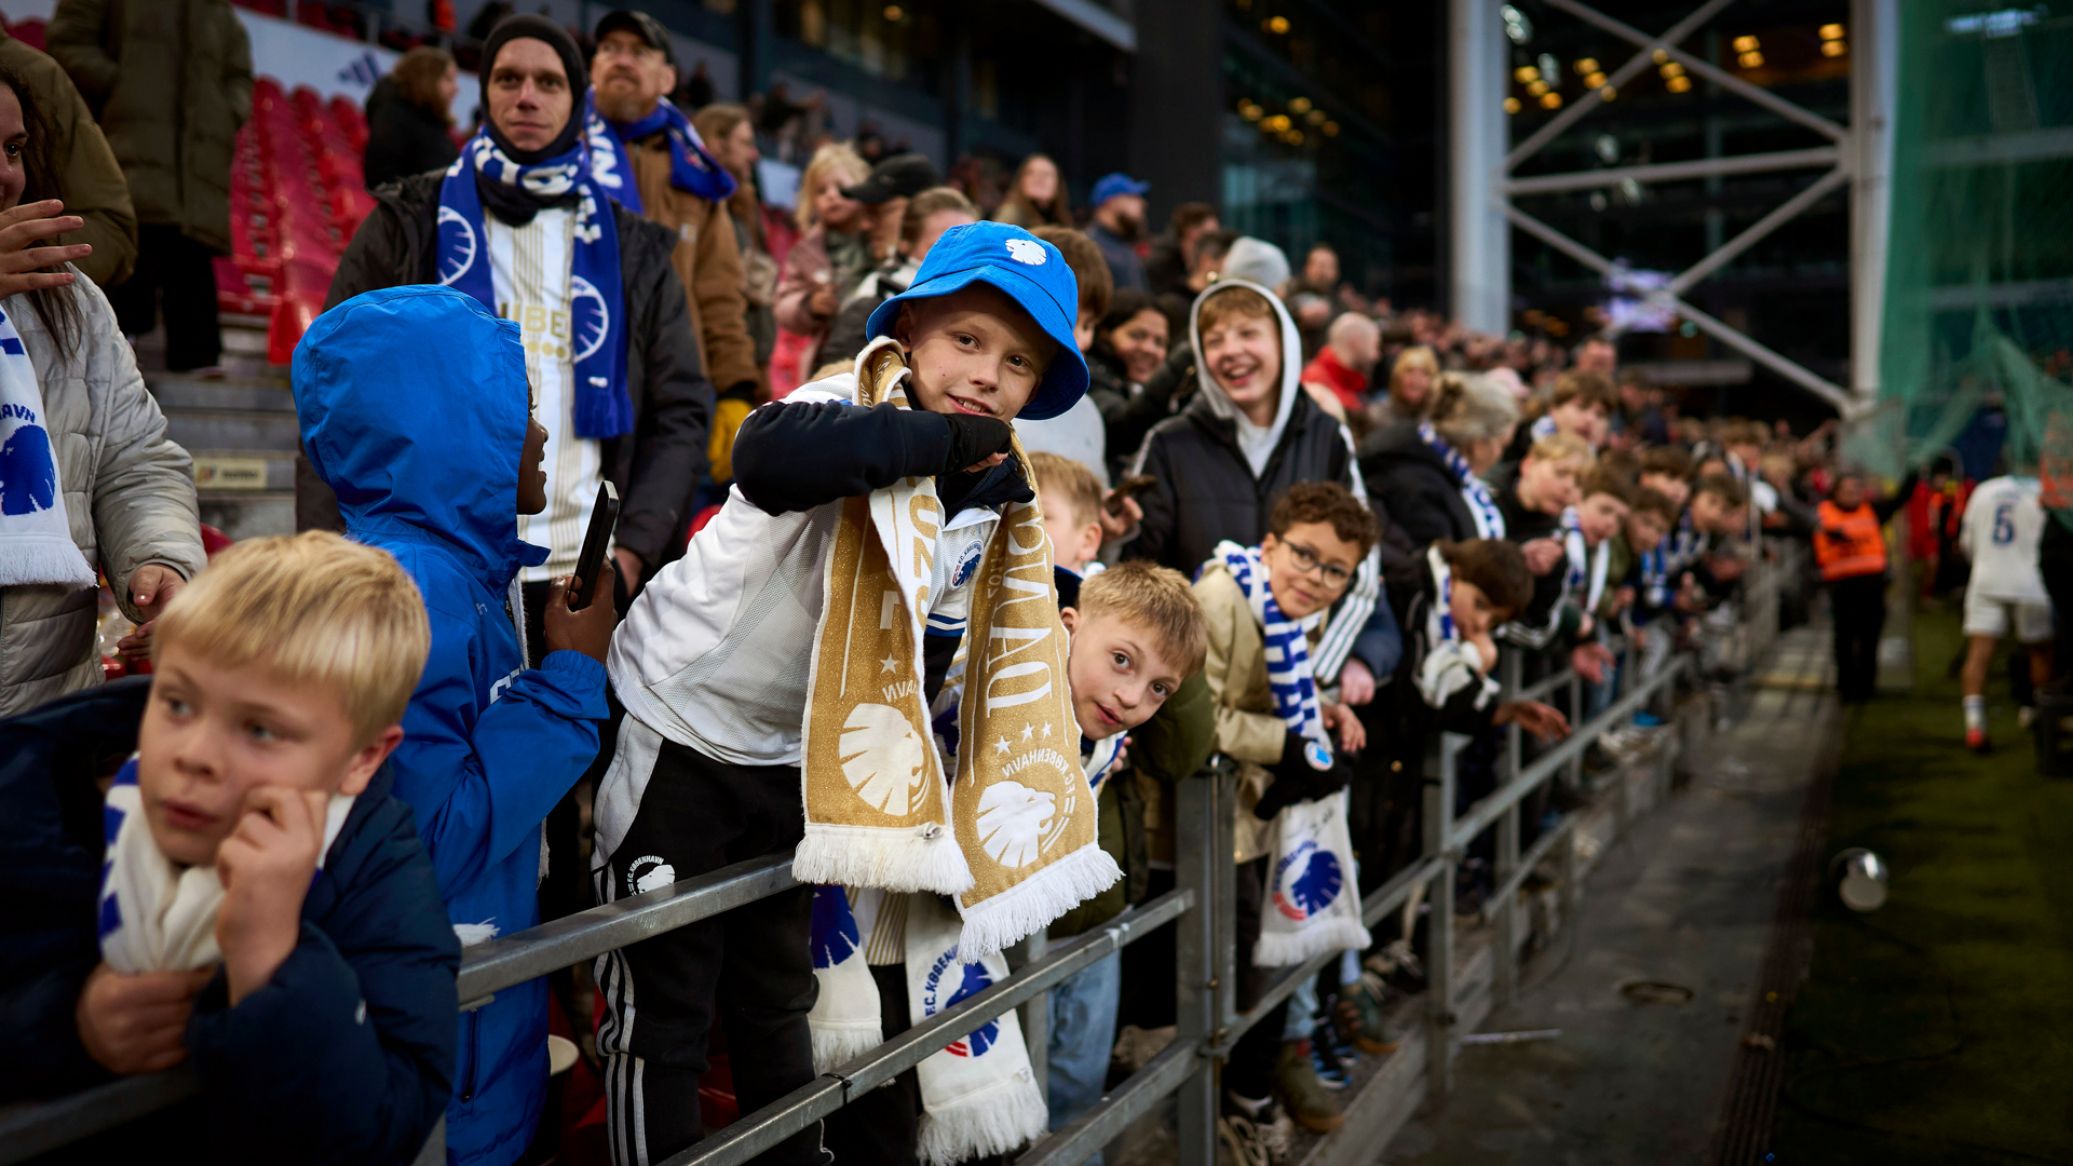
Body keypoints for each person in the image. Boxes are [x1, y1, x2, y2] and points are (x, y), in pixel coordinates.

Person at [592, 221, 1092, 1166]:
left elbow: (931, 657)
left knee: (779, 1002)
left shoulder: (992, 494)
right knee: (661, 1014)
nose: (987, 374)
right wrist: (940, 439)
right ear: (907, 341)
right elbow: (765, 458)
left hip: (796, 757)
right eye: (967, 340)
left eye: (1018, 361)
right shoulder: (847, 396)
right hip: (682, 728)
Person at [3, 531, 459, 1163]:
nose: (194, 756)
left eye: (261, 729)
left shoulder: (368, 857)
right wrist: (63, 1026)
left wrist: (275, 958)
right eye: (179, 702)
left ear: (361, 759)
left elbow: (384, 1124)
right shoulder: (32, 797)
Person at [294, 285, 616, 1166]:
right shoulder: (413, 589)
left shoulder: (456, 577)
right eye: (518, 412)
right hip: (450, 1074)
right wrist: (570, 678)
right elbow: (435, 835)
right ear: (450, 431)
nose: (543, 436)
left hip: (475, 1036)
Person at [303, 14, 713, 645]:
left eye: (549, 82)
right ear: (484, 92)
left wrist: (631, 553)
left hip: (582, 581)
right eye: (509, 78)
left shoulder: (633, 251)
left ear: (577, 104)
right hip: (427, 578)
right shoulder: (408, 222)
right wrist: (333, 555)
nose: (527, 96)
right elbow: (334, 402)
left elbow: (681, 409)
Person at [0, 66, 204, 718]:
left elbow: (134, 460)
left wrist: (159, 560)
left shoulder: (73, 300)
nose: (7, 175)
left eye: (12, 149)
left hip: (50, 716)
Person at [1184, 482, 1375, 1147]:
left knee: (1265, 966)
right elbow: (1194, 717)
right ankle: (1216, 1107)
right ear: (1269, 545)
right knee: (1229, 971)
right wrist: (1287, 743)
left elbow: (1286, 693)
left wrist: (1320, 711)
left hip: (1259, 821)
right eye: (1304, 555)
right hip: (1213, 828)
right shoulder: (1220, 600)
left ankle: (1243, 1093)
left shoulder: (1286, 612)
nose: (1316, 578)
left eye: (1335, 571)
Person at [1126, 279, 1392, 695]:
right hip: (1195, 687)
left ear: (1284, 344)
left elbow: (1362, 560)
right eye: (1214, 340)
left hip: (1304, 681)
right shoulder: (1167, 443)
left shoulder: (1327, 439)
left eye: (1248, 333)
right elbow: (1138, 570)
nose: (1231, 350)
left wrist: (1314, 673)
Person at [48, 0, 251, 373]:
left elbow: (238, 74)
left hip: (195, 170)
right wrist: (121, 84)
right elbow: (68, 42)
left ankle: (196, 360)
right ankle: (117, 362)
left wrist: (226, 111)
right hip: (127, 147)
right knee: (131, 246)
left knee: (191, 255)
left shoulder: (219, 12)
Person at [587, 10, 763, 411]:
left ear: (667, 78)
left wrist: (734, 388)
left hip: (669, 391)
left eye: (639, 52)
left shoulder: (694, 173)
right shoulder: (558, 148)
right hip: (571, 375)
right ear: (593, 67)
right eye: (610, 48)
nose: (622, 59)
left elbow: (718, 292)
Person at [0, 30, 134, 286]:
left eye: (14, 149)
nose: (5, 172)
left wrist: (29, 257)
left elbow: (111, 229)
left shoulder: (38, 75)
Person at [1359, 371, 1520, 573]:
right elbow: (1435, 570)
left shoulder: (1429, 456)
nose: (1499, 456)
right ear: (1479, 444)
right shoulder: (1418, 485)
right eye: (1502, 446)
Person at [820, 185, 976, 368]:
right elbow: (837, 369)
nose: (958, 259)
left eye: (969, 250)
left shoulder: (980, 303)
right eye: (941, 248)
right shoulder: (875, 296)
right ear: (905, 245)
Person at [1957, 469, 2055, 751]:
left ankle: (1975, 724)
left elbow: (1966, 541)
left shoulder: (1984, 490)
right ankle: (2037, 713)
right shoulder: (2043, 491)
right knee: (2039, 650)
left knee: (1979, 652)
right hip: (2031, 582)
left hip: (1987, 578)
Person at [1016, 225, 1116, 485]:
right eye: (1071, 321)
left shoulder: (1087, 412)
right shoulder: (990, 400)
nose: (1081, 340)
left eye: (1089, 325)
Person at [692, 102, 780, 372]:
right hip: (704, 364)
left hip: (745, 362)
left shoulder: (746, 208)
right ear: (717, 143)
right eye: (745, 143)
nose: (754, 155)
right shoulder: (694, 207)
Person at [1813, 469, 1914, 702]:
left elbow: (1899, 498)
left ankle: (1866, 688)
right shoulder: (1823, 514)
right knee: (1844, 639)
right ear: (1835, 492)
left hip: (1872, 586)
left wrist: (1913, 470)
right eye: (1847, 490)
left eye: (1856, 490)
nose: (1852, 495)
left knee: (1870, 637)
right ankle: (1845, 688)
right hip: (1842, 588)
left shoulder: (1872, 511)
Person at [775, 141, 873, 365]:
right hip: (829, 354)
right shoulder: (806, 250)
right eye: (821, 191)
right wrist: (810, 305)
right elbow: (784, 304)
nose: (831, 195)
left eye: (841, 188)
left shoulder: (878, 238)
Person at [363, 46, 460, 190]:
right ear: (427, 79)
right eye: (448, 79)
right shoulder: (394, 117)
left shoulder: (431, 122)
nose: (456, 88)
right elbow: (384, 182)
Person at [1509, 369, 1615, 460]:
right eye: (1581, 408)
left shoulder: (1606, 469)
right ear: (1554, 409)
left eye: (1600, 415)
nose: (1590, 419)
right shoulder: (1513, 444)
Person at [1300, 312, 1379, 417]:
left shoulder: (1351, 383)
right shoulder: (1316, 383)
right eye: (1374, 346)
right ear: (1356, 343)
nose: (1376, 355)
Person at [1085, 172, 1149, 293]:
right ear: (1111, 202)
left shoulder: (1124, 246)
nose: (1142, 203)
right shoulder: (1089, 247)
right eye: (1132, 197)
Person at [1144, 200, 1218, 300]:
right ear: (1192, 230)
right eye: (1210, 233)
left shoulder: (1199, 259)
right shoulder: (1160, 262)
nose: (1216, 238)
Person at [1367, 342, 1438, 429]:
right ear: (1397, 376)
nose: (1416, 379)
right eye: (1409, 371)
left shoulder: (1439, 418)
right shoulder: (1377, 415)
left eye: (1425, 373)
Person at [994, 152, 1070, 230]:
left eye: (1046, 174)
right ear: (1021, 181)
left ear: (1058, 185)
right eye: (1030, 173)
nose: (1038, 178)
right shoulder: (1012, 213)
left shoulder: (1061, 219)